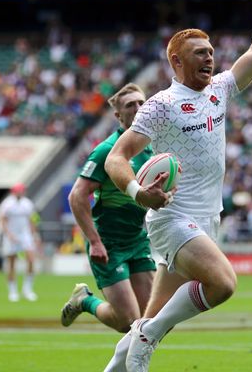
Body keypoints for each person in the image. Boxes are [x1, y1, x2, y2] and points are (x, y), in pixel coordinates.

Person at [102, 0, 252, 372]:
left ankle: (124, 356)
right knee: (223, 284)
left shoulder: (220, 89)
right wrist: (137, 193)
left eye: (211, 51)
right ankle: (150, 334)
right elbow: (117, 158)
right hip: (172, 217)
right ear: (176, 61)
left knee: (148, 319)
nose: (209, 57)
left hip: (206, 220)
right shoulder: (161, 104)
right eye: (199, 53)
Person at [61, 84, 156, 332]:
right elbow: (77, 196)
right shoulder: (107, 150)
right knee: (127, 322)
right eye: (130, 105)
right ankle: (85, 301)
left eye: (141, 103)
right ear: (118, 116)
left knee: (149, 322)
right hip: (108, 243)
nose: (138, 108)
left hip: (138, 239)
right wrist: (94, 241)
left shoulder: (153, 149)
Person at [0, 182, 39, 302]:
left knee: (31, 260)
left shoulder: (27, 203)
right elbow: (3, 220)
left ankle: (27, 290)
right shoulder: (7, 204)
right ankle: (13, 291)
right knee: (11, 263)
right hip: (11, 235)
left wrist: (33, 234)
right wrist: (9, 234)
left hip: (25, 235)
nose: (22, 192)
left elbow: (32, 220)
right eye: (20, 190)